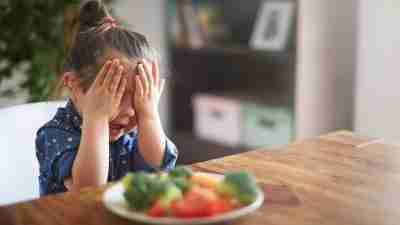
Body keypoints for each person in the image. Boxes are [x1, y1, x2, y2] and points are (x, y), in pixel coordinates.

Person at [35, 0, 178, 196]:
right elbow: (88, 190)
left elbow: (159, 169)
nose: (129, 111)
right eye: (116, 94)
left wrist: (149, 115)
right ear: (74, 85)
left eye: (138, 96)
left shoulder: (132, 132)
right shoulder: (54, 134)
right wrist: (97, 118)